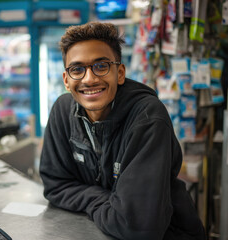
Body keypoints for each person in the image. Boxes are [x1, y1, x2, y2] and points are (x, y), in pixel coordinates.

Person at [39, 22, 205, 240]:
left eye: (101, 66)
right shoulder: (62, 110)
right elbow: (55, 186)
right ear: (67, 81)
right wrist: (108, 201)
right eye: (77, 69)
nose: (89, 79)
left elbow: (137, 226)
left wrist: (92, 200)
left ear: (120, 73)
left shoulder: (147, 118)